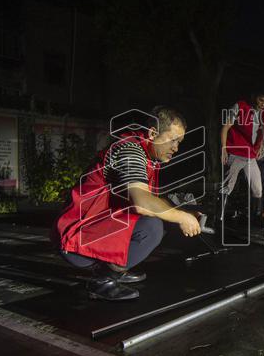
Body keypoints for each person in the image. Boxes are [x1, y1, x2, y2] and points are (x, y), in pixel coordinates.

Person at [54, 106, 202, 300]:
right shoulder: (130, 151)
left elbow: (149, 199)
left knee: (162, 214)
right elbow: (142, 203)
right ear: (152, 133)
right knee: (152, 226)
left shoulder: (144, 153)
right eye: (173, 140)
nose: (176, 147)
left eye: (179, 142)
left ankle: (114, 266)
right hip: (77, 237)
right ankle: (104, 279)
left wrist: (179, 211)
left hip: (91, 229)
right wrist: (182, 217)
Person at [220, 85, 264, 219]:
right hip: (236, 152)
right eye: (261, 100)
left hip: (250, 155)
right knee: (228, 186)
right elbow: (225, 127)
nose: (263, 104)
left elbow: (261, 133)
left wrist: (262, 148)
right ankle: (218, 215)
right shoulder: (240, 106)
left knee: (258, 189)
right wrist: (223, 149)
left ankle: (255, 216)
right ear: (254, 97)